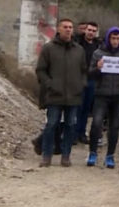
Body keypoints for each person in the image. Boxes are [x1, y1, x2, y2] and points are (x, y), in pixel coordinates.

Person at [35, 19, 87, 167]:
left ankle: (66, 156)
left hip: (73, 95)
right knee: (51, 125)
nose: (68, 29)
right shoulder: (48, 48)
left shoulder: (79, 50)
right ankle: (46, 156)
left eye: (70, 27)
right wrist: (50, 84)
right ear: (58, 29)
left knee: (70, 125)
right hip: (54, 95)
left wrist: (81, 84)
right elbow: (40, 70)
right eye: (65, 27)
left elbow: (84, 70)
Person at [87, 27, 119, 168]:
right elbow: (90, 74)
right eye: (113, 38)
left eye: (118, 38)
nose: (115, 41)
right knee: (96, 123)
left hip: (118, 94)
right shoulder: (98, 53)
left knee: (114, 126)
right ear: (108, 38)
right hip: (101, 94)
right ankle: (93, 152)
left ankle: (110, 155)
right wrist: (98, 68)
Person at [75, 21, 100, 144]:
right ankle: (73, 133)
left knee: (86, 108)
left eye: (93, 31)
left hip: (92, 79)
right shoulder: (77, 43)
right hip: (78, 78)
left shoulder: (98, 46)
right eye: (89, 30)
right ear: (85, 30)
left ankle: (82, 132)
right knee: (77, 107)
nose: (91, 33)